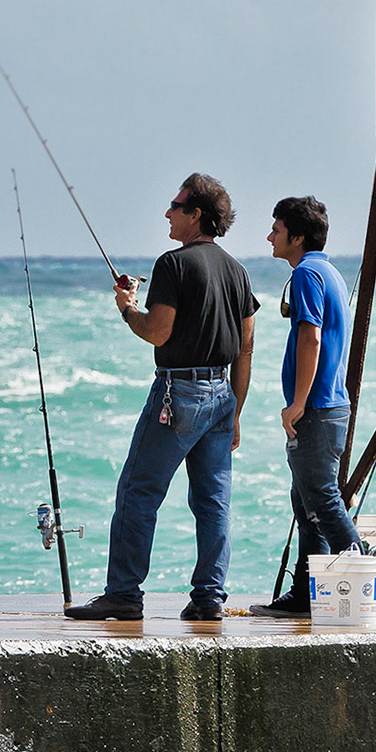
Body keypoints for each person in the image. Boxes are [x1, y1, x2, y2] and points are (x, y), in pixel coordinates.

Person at [65, 173, 259, 622]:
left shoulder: (173, 264)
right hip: (222, 393)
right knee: (213, 503)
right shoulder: (238, 270)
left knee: (139, 491)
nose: (167, 212)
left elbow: (158, 331)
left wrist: (128, 308)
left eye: (175, 205)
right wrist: (236, 411)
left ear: (196, 214)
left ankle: (124, 595)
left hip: (179, 392)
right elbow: (246, 346)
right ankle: (209, 599)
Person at [251, 196, 360, 618]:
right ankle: (305, 593)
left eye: (276, 230)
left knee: (323, 500)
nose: (269, 237)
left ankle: (369, 578)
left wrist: (297, 403)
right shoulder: (330, 272)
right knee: (306, 503)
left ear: (297, 237)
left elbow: (310, 338)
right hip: (330, 407)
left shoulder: (307, 275)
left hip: (316, 408)